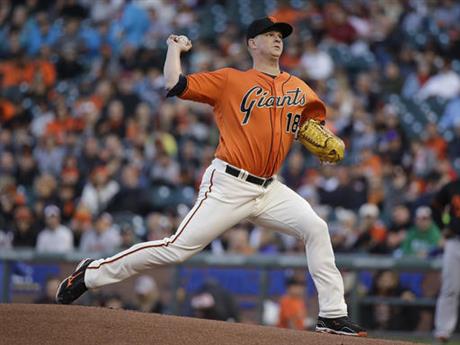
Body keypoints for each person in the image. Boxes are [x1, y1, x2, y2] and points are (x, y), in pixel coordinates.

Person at [56, 16, 366, 337]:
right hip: (229, 184)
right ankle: (91, 273)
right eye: (269, 35)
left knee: (316, 228)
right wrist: (174, 49)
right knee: (177, 248)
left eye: (280, 36)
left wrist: (317, 137)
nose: (277, 40)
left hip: (269, 188)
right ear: (252, 44)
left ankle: (332, 314)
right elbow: (175, 83)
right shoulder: (230, 80)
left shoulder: (298, 88)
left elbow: (304, 126)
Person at [432, 178, 460, 344]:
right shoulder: (452, 187)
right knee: (450, 288)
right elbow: (436, 206)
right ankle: (443, 331)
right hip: (455, 241)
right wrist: (444, 227)